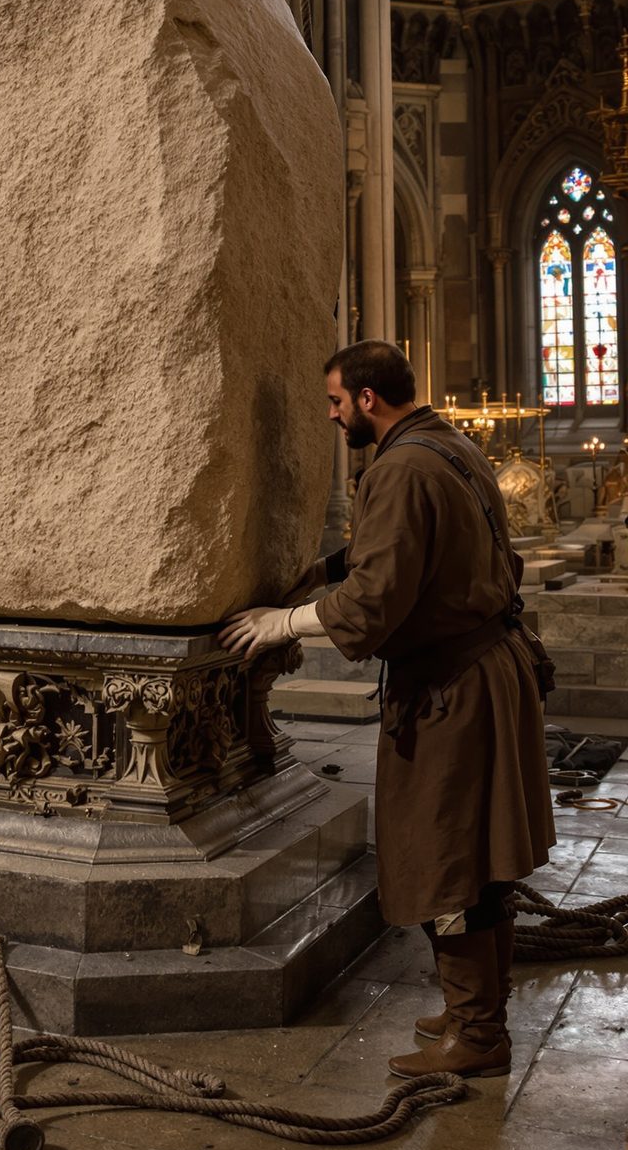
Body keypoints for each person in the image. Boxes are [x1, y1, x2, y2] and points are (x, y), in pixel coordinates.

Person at [220, 340, 554, 1081]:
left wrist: (282, 622)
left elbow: (372, 604)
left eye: (336, 403)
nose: (334, 416)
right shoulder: (446, 445)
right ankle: (477, 1007)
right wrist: (321, 569)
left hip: (452, 690)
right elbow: (395, 549)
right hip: (489, 668)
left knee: (450, 861)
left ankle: (479, 1035)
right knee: (481, 858)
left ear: (368, 399)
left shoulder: (402, 466)